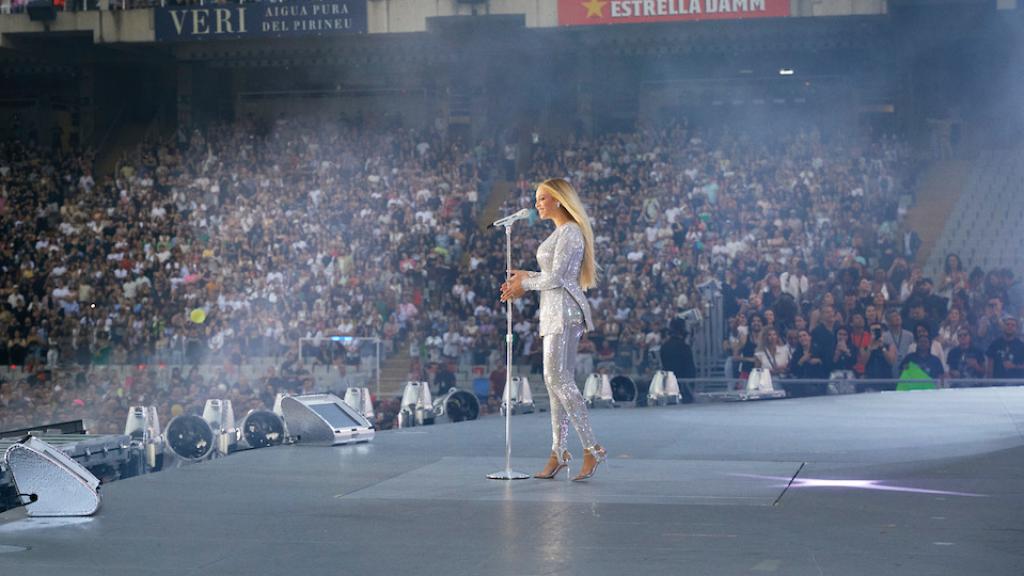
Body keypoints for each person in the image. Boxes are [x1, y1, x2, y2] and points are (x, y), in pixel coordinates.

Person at [500, 178, 605, 481]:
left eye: (543, 198)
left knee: (557, 379)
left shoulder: (571, 232)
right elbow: (553, 274)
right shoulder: (562, 233)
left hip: (563, 312)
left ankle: (591, 447)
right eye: (537, 199)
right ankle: (559, 451)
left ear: (559, 199)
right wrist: (527, 276)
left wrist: (524, 284)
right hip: (553, 311)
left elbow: (558, 278)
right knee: (555, 384)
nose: (537, 204)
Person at [660, 317, 696, 403]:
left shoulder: (664, 347)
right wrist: (691, 386)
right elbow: (690, 369)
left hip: (668, 387)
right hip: (683, 387)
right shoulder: (684, 348)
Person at [985, 316, 1024, 381]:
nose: (1010, 327)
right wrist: (989, 383)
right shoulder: (995, 344)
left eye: (1013, 325)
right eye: (1007, 324)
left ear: (1016, 328)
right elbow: (989, 366)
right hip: (997, 384)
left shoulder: (1021, 345)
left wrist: (1014, 366)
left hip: (1016, 386)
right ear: (1003, 327)